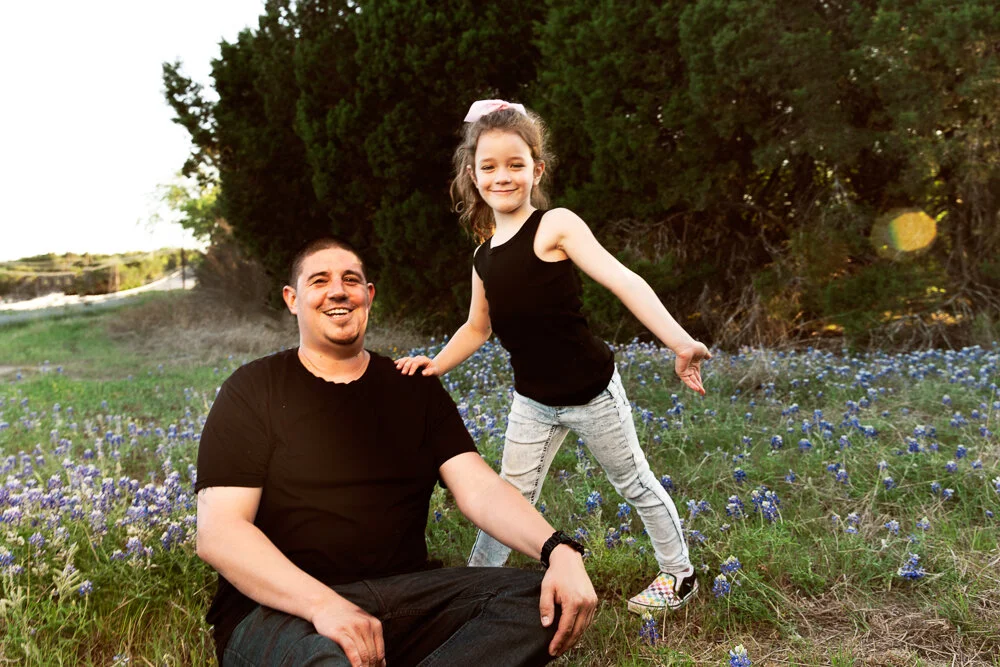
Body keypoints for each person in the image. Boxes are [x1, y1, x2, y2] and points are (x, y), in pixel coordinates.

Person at [195, 237, 597, 667]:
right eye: (319, 281)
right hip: (283, 609)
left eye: (351, 280)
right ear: (292, 299)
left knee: (541, 602)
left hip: (402, 597)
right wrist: (323, 606)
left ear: (368, 295)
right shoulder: (253, 389)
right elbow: (220, 533)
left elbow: (480, 489)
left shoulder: (414, 387)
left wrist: (558, 549)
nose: (338, 291)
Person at [395, 99, 712, 615]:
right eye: (489, 166)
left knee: (634, 482)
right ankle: (475, 588)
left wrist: (679, 341)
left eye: (515, 164)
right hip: (533, 401)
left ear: (536, 170)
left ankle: (680, 574)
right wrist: (435, 364)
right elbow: (477, 327)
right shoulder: (482, 256)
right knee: (507, 497)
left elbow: (622, 279)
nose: (502, 176)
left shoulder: (555, 225)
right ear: (473, 176)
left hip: (592, 392)